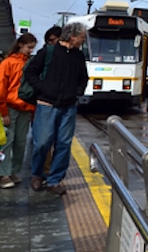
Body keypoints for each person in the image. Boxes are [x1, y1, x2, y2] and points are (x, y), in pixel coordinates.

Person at [25, 22, 89, 196]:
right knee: (42, 142)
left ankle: (55, 180)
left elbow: (84, 77)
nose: (83, 40)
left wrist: (78, 91)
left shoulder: (79, 56)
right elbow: (30, 72)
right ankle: (37, 174)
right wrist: (43, 88)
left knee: (63, 144)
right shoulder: (49, 52)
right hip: (47, 105)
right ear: (72, 37)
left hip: (68, 106)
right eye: (82, 37)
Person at [0, 33, 38, 188]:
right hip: (11, 107)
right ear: (21, 45)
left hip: (24, 108)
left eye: (32, 48)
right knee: (7, 142)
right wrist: (4, 112)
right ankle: (3, 174)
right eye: (29, 47)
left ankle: (12, 171)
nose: (30, 51)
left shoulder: (26, 63)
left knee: (20, 142)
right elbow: (1, 88)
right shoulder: (8, 63)